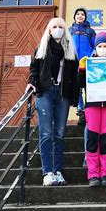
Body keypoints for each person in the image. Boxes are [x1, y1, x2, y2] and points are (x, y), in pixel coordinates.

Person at [26, 17, 79, 187]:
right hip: (45, 93)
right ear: (49, 30)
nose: (57, 29)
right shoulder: (41, 49)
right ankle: (47, 172)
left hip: (62, 94)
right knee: (46, 133)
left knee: (60, 133)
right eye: (54, 27)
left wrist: (74, 97)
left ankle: (58, 171)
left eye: (60, 27)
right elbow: (34, 69)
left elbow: (75, 77)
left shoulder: (70, 51)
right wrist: (31, 82)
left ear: (65, 30)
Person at [79, 32, 106, 187]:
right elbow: (81, 84)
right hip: (93, 106)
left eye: (105, 46)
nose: (102, 49)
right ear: (95, 49)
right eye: (100, 46)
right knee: (92, 140)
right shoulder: (90, 63)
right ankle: (93, 175)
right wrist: (82, 69)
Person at [69, 7, 96, 126]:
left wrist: (90, 58)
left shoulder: (90, 31)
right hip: (74, 63)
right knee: (77, 89)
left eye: (82, 14)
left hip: (87, 64)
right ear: (74, 16)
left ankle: (90, 111)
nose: (80, 16)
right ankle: (81, 112)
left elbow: (95, 46)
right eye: (78, 14)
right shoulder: (69, 30)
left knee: (88, 88)